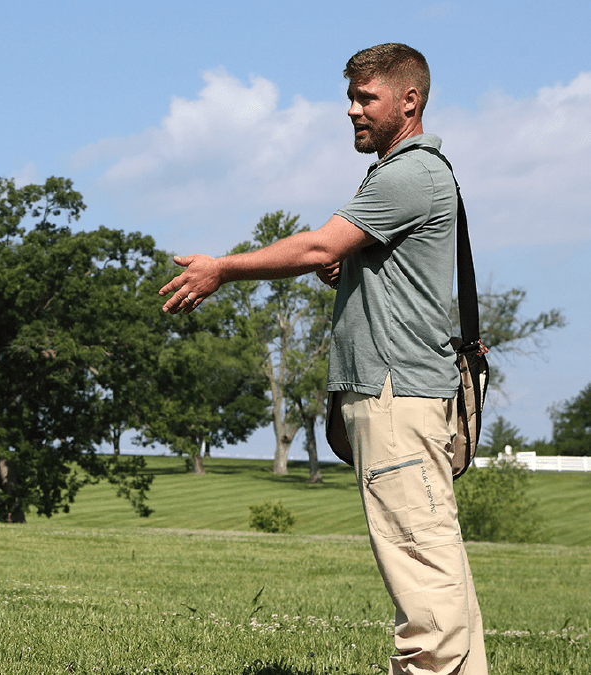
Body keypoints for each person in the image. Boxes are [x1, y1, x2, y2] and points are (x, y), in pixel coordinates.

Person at [158, 43, 487, 675]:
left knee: (423, 578)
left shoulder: (408, 173)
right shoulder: (408, 175)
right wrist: (351, 270)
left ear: (409, 100)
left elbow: (315, 246)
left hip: (397, 398)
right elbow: (353, 261)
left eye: (366, 98)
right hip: (412, 395)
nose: (352, 110)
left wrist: (221, 269)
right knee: (440, 569)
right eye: (350, 97)